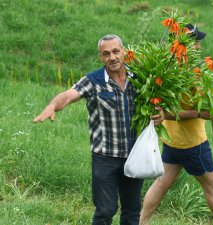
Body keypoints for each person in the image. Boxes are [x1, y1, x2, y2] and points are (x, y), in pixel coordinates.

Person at [33, 34, 164, 225]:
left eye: (115, 51)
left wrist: (160, 113)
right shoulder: (93, 81)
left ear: (124, 52)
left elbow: (156, 105)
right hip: (104, 158)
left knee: (132, 211)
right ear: (101, 57)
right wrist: (53, 105)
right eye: (106, 53)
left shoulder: (140, 78)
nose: (112, 57)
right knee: (105, 210)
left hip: (134, 155)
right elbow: (68, 96)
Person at [139, 25, 213, 225]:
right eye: (194, 42)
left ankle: (140, 222)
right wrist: (200, 113)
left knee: (161, 184)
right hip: (192, 144)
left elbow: (204, 93)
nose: (198, 45)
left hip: (173, 141)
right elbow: (164, 113)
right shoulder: (181, 74)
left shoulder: (170, 69)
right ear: (183, 45)